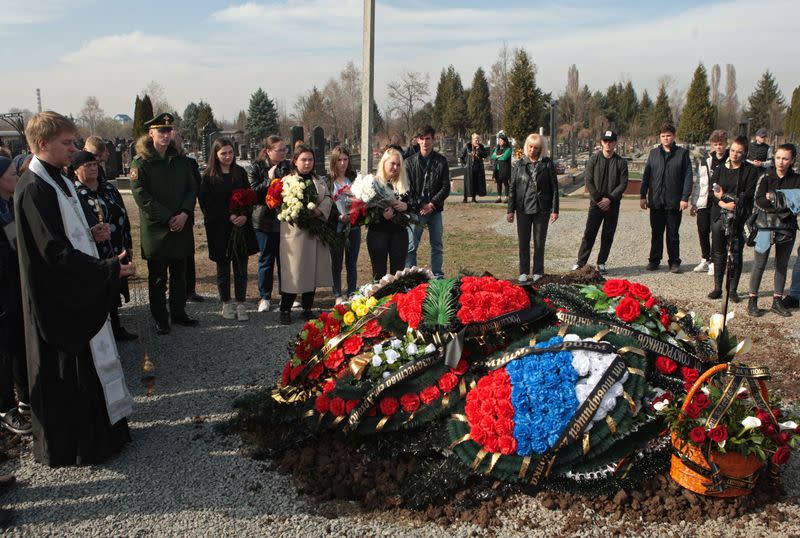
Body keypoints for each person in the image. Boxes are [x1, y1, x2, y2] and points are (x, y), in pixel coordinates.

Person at [14, 111, 134, 466]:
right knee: (69, 373)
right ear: (41, 145)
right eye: (67, 143)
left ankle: (105, 433)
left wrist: (94, 239)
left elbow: (69, 233)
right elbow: (53, 251)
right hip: (57, 298)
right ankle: (79, 444)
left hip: (72, 288)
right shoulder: (34, 188)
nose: (75, 149)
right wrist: (106, 268)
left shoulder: (60, 180)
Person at [130, 113, 198, 335]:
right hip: (157, 230)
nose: (166, 135)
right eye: (161, 131)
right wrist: (169, 217)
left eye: (169, 131)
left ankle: (179, 312)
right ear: (151, 133)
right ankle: (160, 317)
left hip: (181, 226)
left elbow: (191, 188)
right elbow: (142, 196)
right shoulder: (141, 162)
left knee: (180, 274)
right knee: (158, 277)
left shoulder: (180, 159)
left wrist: (185, 213)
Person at [71, 151, 137, 341]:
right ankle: (100, 334)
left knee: (113, 289)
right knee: (97, 292)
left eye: (94, 164)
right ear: (75, 171)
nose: (93, 168)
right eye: (87, 165)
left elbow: (123, 215)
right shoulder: (75, 194)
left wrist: (128, 244)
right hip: (93, 252)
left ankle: (116, 327)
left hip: (116, 248)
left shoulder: (109, 188)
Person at [199, 138, 258, 321]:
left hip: (240, 227)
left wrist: (245, 215)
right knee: (223, 267)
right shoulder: (209, 176)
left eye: (230, 152)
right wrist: (229, 216)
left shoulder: (239, 172)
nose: (228, 156)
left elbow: (249, 196)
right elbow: (207, 203)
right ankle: (226, 303)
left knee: (240, 266)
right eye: (223, 153)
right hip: (219, 228)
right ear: (215, 155)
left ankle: (240, 303)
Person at [278, 144, 333, 324]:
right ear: (295, 161)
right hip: (295, 234)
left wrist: (319, 211)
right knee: (293, 272)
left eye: (310, 159)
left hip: (314, 233)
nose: (307, 163)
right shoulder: (287, 181)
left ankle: (307, 308)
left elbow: (327, 198)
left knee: (312, 270)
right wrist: (299, 211)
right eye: (303, 159)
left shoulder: (319, 180)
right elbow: (281, 203)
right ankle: (285, 309)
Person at [747, 144, 800, 317]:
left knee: (782, 265)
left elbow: (798, 204)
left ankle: (777, 301)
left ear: (792, 160)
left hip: (787, 228)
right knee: (759, 264)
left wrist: (774, 197)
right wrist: (785, 200)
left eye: (785, 159)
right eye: (778, 158)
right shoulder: (766, 176)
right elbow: (759, 200)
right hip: (766, 225)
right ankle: (752, 300)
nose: (781, 162)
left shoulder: (797, 180)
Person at [0, 156, 31, 435]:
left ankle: (25, 400)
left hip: (16, 286)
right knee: (5, 352)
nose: (16, 177)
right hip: (3, 293)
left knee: (20, 345)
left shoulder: (10, 205)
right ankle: (5, 407)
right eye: (12, 173)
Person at [706, 136, 758, 302]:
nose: (735, 155)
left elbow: (748, 195)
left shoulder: (750, 170)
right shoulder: (720, 169)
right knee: (719, 252)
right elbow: (713, 191)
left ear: (744, 153)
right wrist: (723, 202)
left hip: (739, 217)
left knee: (736, 253)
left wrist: (726, 197)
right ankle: (717, 287)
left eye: (739, 152)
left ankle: (733, 290)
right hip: (719, 215)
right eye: (733, 151)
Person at [572, 130, 628, 274]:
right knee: (589, 233)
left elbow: (623, 183)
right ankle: (581, 262)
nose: (608, 144)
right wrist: (598, 199)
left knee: (608, 234)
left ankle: (601, 262)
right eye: (605, 141)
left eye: (611, 141)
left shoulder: (621, 162)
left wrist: (609, 198)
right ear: (601, 143)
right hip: (596, 204)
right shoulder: (593, 160)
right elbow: (588, 180)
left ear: (615, 143)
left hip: (612, 204)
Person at [640, 123, 693, 273]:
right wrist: (643, 196)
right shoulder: (653, 153)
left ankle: (674, 262)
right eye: (663, 136)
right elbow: (646, 176)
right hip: (656, 201)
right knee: (656, 233)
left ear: (674, 136)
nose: (665, 138)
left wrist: (684, 197)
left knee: (673, 233)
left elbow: (688, 177)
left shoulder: (682, 154)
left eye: (668, 135)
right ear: (660, 137)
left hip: (673, 201)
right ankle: (654, 260)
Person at [507, 133, 559, 282]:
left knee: (539, 242)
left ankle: (538, 271)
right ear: (526, 146)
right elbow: (512, 188)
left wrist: (554, 210)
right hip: (523, 208)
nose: (532, 150)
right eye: (530, 147)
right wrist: (510, 210)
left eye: (536, 148)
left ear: (541, 148)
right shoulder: (519, 164)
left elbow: (554, 188)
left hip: (541, 209)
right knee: (523, 241)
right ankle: (523, 271)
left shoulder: (547, 164)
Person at [249, 135, 291, 313]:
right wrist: (270, 179)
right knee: (266, 259)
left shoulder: (288, 166)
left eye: (284, 149)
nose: (283, 153)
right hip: (264, 220)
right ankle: (265, 296)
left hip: (284, 219)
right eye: (279, 150)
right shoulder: (257, 166)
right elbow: (253, 192)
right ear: (268, 151)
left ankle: (286, 294)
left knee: (285, 260)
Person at [405, 125, 450, 278]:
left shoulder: (441, 161)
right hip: (416, 211)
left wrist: (432, 204)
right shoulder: (409, 162)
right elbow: (408, 188)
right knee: (411, 246)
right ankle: (411, 276)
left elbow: (446, 187)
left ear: (433, 140)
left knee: (437, 245)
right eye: (422, 139)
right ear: (417, 140)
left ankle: (437, 275)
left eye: (428, 139)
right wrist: (420, 204)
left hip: (435, 210)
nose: (425, 142)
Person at [367, 148, 411, 280]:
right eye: (392, 163)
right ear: (384, 163)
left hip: (399, 234)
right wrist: (381, 215)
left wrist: (406, 206)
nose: (395, 167)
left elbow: (415, 205)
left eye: (398, 165)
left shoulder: (404, 183)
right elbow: (365, 213)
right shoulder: (373, 183)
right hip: (378, 233)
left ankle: (396, 299)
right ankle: (380, 299)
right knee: (379, 274)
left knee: (398, 274)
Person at [691, 130, 728, 275]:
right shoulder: (706, 160)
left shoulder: (729, 161)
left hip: (719, 202)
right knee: (703, 230)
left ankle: (714, 261)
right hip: (705, 200)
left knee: (717, 232)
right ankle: (705, 259)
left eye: (721, 144)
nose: (718, 147)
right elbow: (700, 182)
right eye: (715, 144)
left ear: (725, 144)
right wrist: (694, 202)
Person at [328, 146, 360, 303]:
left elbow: (362, 200)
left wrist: (355, 211)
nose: (342, 163)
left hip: (353, 225)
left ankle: (352, 291)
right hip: (336, 227)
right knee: (336, 262)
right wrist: (338, 216)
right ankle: (337, 294)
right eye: (339, 160)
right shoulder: (328, 181)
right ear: (334, 161)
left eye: (345, 159)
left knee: (351, 262)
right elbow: (326, 204)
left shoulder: (354, 178)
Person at [460, 133, 487, 203]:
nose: (477, 141)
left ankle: (473, 198)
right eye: (476, 139)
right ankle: (465, 198)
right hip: (468, 168)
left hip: (477, 168)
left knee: (475, 183)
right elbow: (461, 156)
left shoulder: (481, 146)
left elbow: (485, 155)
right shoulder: (467, 146)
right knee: (467, 183)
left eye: (478, 139)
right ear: (472, 139)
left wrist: (479, 150)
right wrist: (464, 165)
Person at [490, 133, 512, 203]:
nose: (499, 142)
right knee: (498, 183)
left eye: (501, 140)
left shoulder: (508, 149)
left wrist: (497, 156)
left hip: (505, 168)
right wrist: (498, 156)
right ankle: (499, 197)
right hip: (497, 168)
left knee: (506, 183)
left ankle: (506, 197)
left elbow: (504, 158)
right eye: (499, 140)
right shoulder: (497, 148)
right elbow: (492, 156)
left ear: (505, 141)